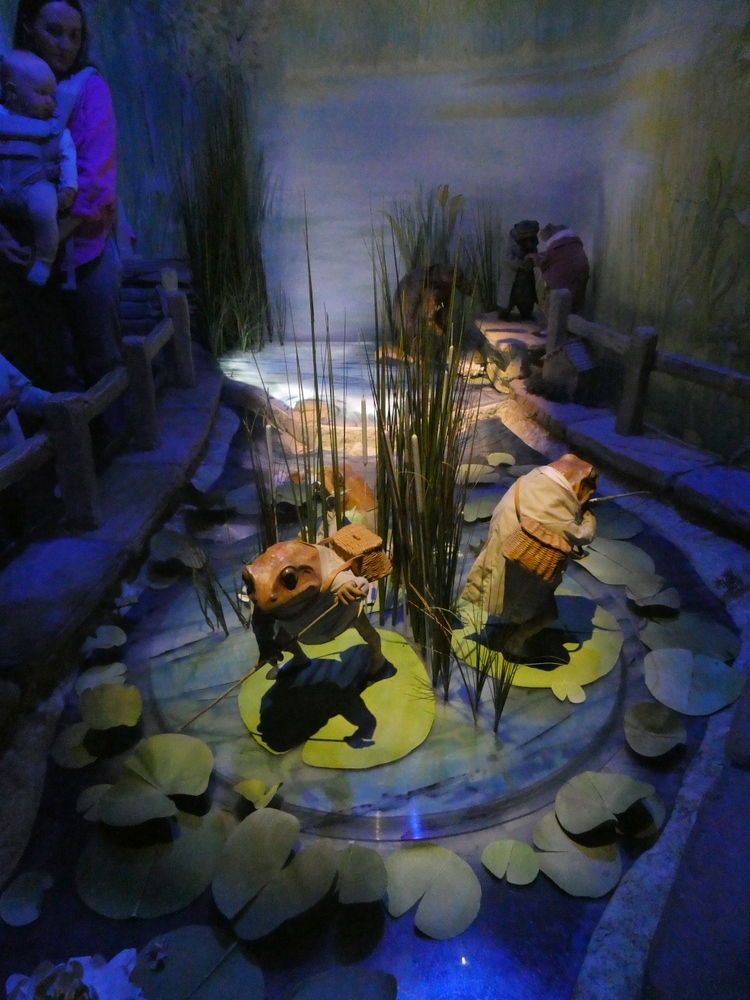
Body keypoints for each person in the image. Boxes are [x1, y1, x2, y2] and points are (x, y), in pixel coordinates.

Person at [4, 0, 125, 393]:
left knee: (103, 360)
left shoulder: (88, 89)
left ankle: (116, 428)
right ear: (28, 27)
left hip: (83, 249)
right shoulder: (8, 89)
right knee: (53, 365)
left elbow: (95, 184)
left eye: (74, 35)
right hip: (21, 253)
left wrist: (49, 240)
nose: (65, 45)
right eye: (54, 31)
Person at [460, 454, 598, 660]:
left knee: (504, 587)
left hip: (504, 542)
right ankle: (516, 643)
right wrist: (588, 518)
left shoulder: (532, 479)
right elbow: (581, 536)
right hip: (520, 557)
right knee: (545, 612)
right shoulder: (554, 504)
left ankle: (513, 616)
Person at [0, 50, 77, 286]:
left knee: (45, 207)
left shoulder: (52, 126)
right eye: (41, 93)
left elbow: (67, 154)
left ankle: (44, 260)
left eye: (52, 95)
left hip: (32, 184)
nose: (50, 101)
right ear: (12, 92)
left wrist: (69, 187)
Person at [528, 223, 590, 315]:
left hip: (561, 286)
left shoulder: (558, 246)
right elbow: (553, 256)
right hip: (577, 282)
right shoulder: (571, 243)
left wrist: (533, 257)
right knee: (572, 309)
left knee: (556, 310)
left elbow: (543, 262)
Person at [496, 219, 539, 321]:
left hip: (526, 281)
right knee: (506, 303)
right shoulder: (511, 243)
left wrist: (532, 261)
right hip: (512, 280)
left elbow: (534, 255)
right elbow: (508, 258)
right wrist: (522, 263)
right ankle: (504, 313)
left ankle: (526, 313)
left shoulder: (532, 242)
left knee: (527, 302)